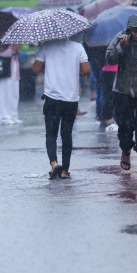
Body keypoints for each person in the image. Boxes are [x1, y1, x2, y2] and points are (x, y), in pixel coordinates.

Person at [32, 35, 90, 180]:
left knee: (51, 134)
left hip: (52, 98)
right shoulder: (78, 47)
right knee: (66, 134)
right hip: (71, 99)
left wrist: (47, 64)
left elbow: (35, 69)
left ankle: (54, 163)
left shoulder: (47, 46)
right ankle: (65, 170)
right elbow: (86, 70)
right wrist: (73, 73)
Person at [105, 14, 137, 174]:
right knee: (124, 125)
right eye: (134, 31)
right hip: (122, 90)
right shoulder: (121, 38)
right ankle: (126, 152)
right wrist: (121, 47)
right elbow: (110, 59)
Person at [0, 43, 21, 124]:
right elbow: (2, 54)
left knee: (14, 94)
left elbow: (15, 56)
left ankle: (13, 115)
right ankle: (4, 117)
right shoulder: (3, 42)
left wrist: (17, 51)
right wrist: (12, 48)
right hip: (6, 70)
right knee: (5, 94)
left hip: (14, 70)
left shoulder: (14, 40)